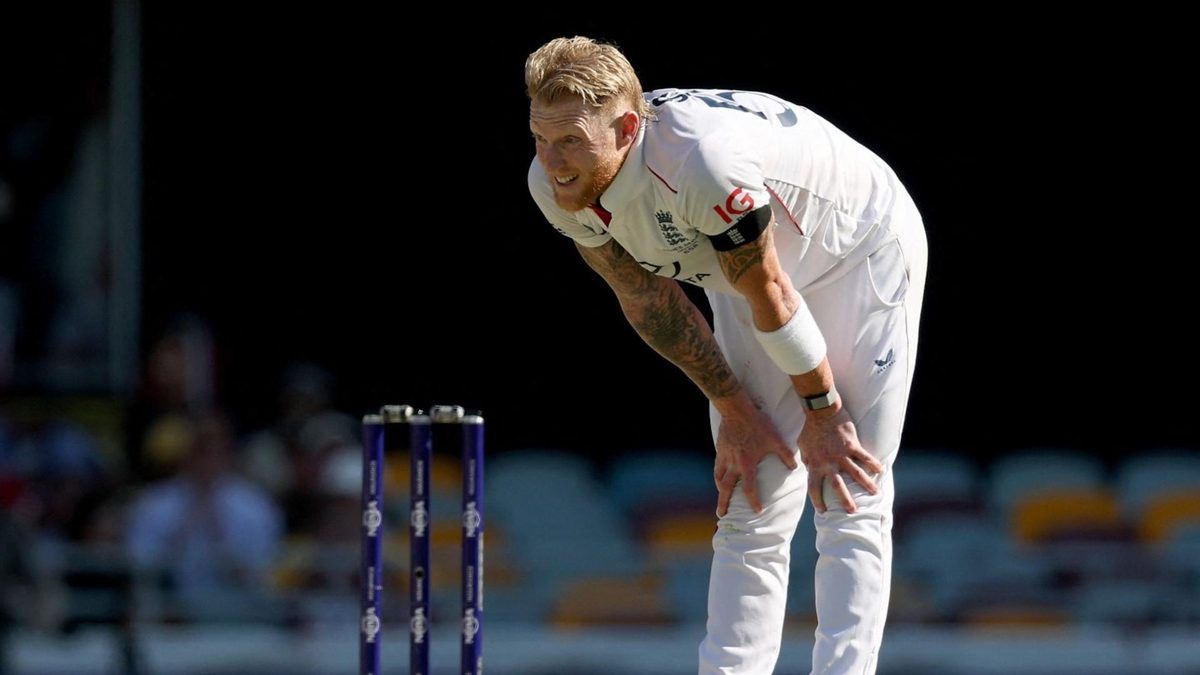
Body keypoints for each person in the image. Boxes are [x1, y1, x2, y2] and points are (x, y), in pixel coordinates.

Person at [524, 37, 928, 674]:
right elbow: (648, 301)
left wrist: (822, 412)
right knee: (752, 492)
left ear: (628, 127)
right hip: (745, 274)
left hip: (858, 247)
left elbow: (769, 287)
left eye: (570, 140)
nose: (553, 162)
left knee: (848, 483)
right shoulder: (553, 186)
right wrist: (735, 408)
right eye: (540, 139)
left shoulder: (702, 163)